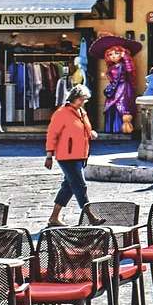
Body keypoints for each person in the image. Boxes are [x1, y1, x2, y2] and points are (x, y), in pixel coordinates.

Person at [44, 85, 98, 227]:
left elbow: (86, 128)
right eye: (81, 99)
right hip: (67, 156)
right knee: (81, 185)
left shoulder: (81, 112)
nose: (83, 102)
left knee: (68, 186)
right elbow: (52, 134)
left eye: (84, 100)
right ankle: (91, 217)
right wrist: (49, 155)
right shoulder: (61, 113)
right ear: (74, 98)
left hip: (80, 155)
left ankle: (54, 218)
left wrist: (90, 133)